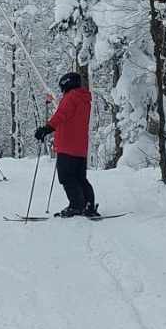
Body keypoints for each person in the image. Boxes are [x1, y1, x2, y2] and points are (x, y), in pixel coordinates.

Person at [35, 70, 99, 218]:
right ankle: (88, 204)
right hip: (80, 147)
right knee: (80, 177)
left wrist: (47, 128)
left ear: (66, 84)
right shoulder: (84, 99)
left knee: (66, 176)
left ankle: (76, 205)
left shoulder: (71, 97)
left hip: (67, 145)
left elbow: (61, 115)